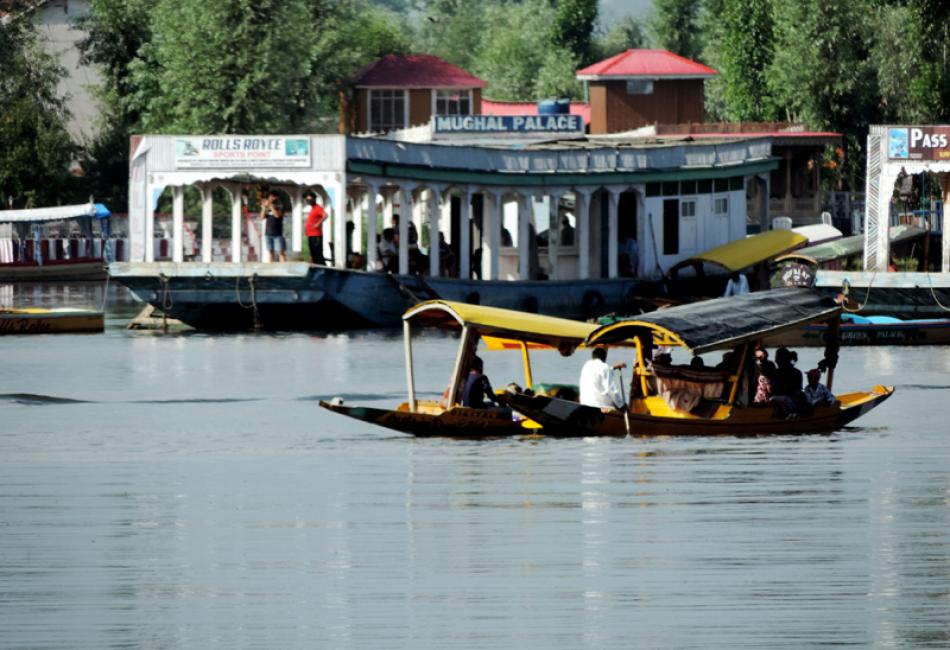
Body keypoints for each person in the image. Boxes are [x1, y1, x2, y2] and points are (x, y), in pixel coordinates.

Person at [261, 191, 286, 262]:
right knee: (270, 252)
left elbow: (277, 215)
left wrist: (271, 206)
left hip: (278, 234)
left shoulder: (280, 206)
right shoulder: (267, 207)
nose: (271, 198)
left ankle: (284, 269)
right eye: (270, 197)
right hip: (268, 234)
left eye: (273, 197)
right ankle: (271, 270)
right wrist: (263, 208)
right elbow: (262, 217)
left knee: (281, 252)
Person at [304, 192, 327, 264]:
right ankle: (315, 267)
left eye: (310, 199)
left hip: (316, 235)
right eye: (307, 200)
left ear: (314, 199)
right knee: (313, 253)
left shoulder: (318, 207)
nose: (309, 201)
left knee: (318, 253)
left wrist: (318, 223)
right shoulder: (312, 208)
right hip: (310, 234)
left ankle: (322, 268)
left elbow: (325, 215)